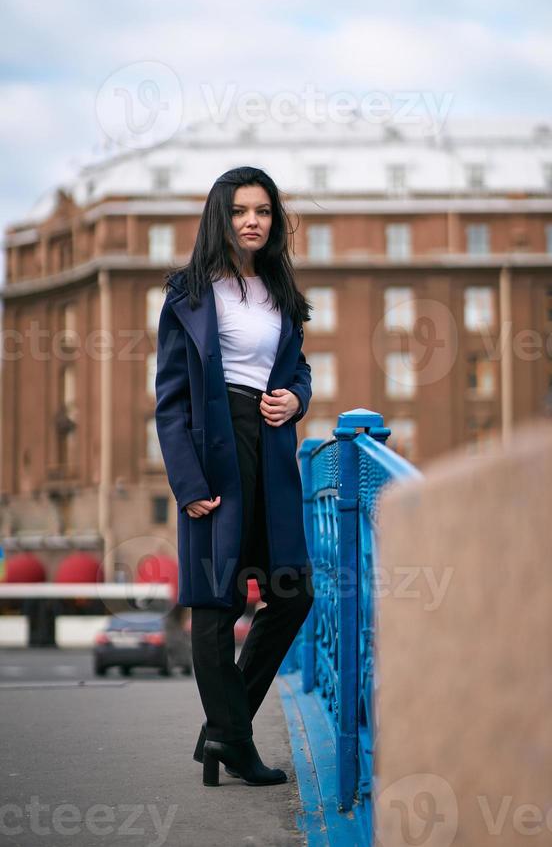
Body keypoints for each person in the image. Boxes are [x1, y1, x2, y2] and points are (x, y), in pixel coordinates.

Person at [155, 165, 315, 787]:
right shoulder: (189, 294)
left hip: (270, 456)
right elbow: (170, 400)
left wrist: (296, 400)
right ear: (220, 217)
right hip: (213, 455)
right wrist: (188, 484)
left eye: (264, 211)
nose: (253, 221)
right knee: (214, 603)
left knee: (293, 593)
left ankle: (224, 728)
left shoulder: (281, 291)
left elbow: (298, 370)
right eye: (241, 211)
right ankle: (233, 739)